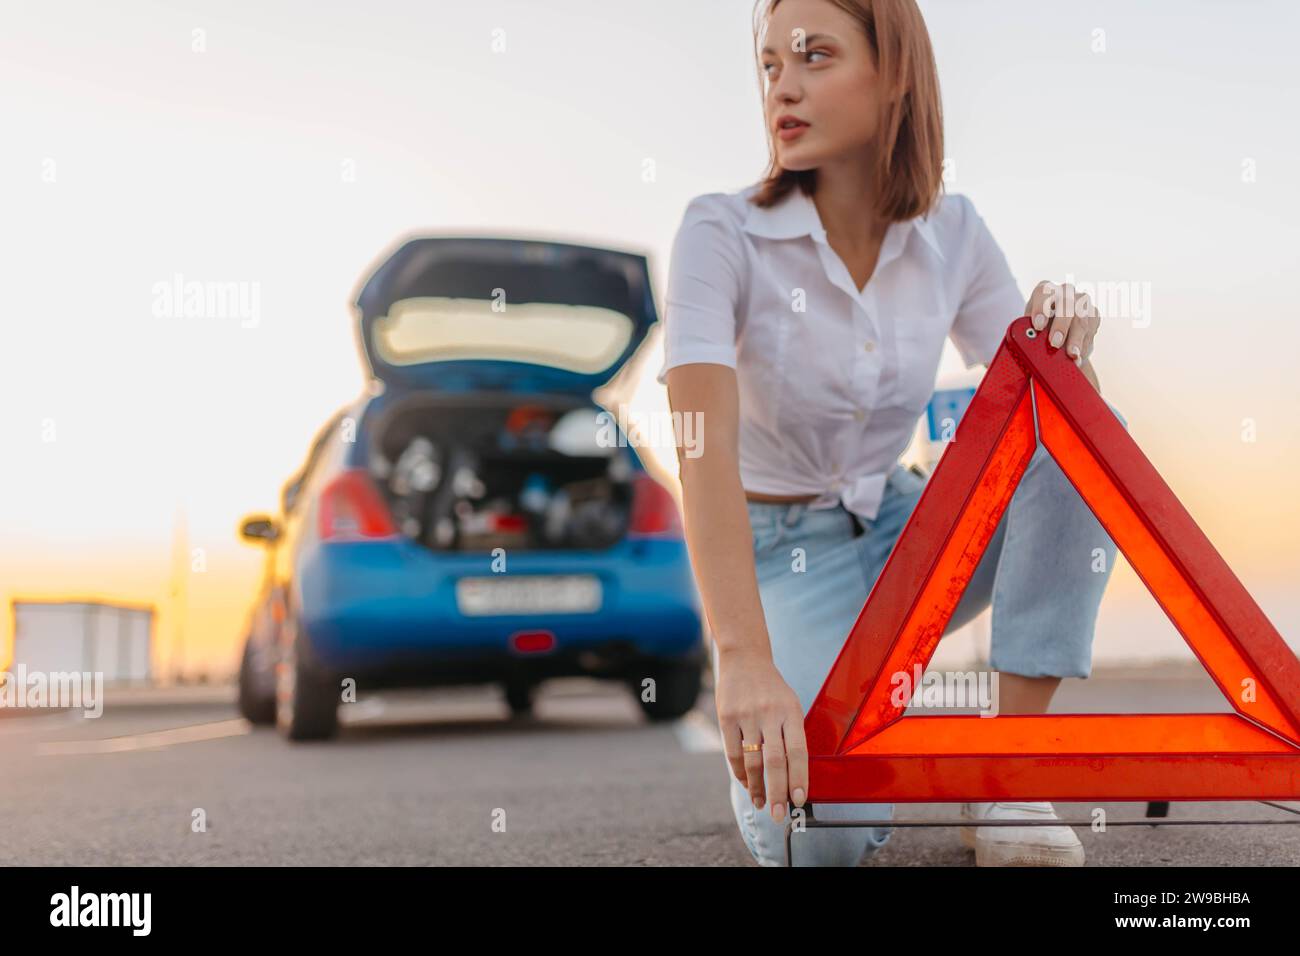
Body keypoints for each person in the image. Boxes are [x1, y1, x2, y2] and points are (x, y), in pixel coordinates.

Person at [656, 0, 1130, 866]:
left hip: (902, 530)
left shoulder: (954, 233)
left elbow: (1069, 432)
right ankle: (834, 688)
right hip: (778, 557)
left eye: (814, 57)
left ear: (895, 76)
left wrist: (1065, 346)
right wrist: (744, 660)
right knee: (820, 846)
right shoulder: (719, 232)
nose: (782, 87)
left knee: (1080, 432)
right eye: (769, 65)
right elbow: (700, 447)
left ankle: (1007, 780)